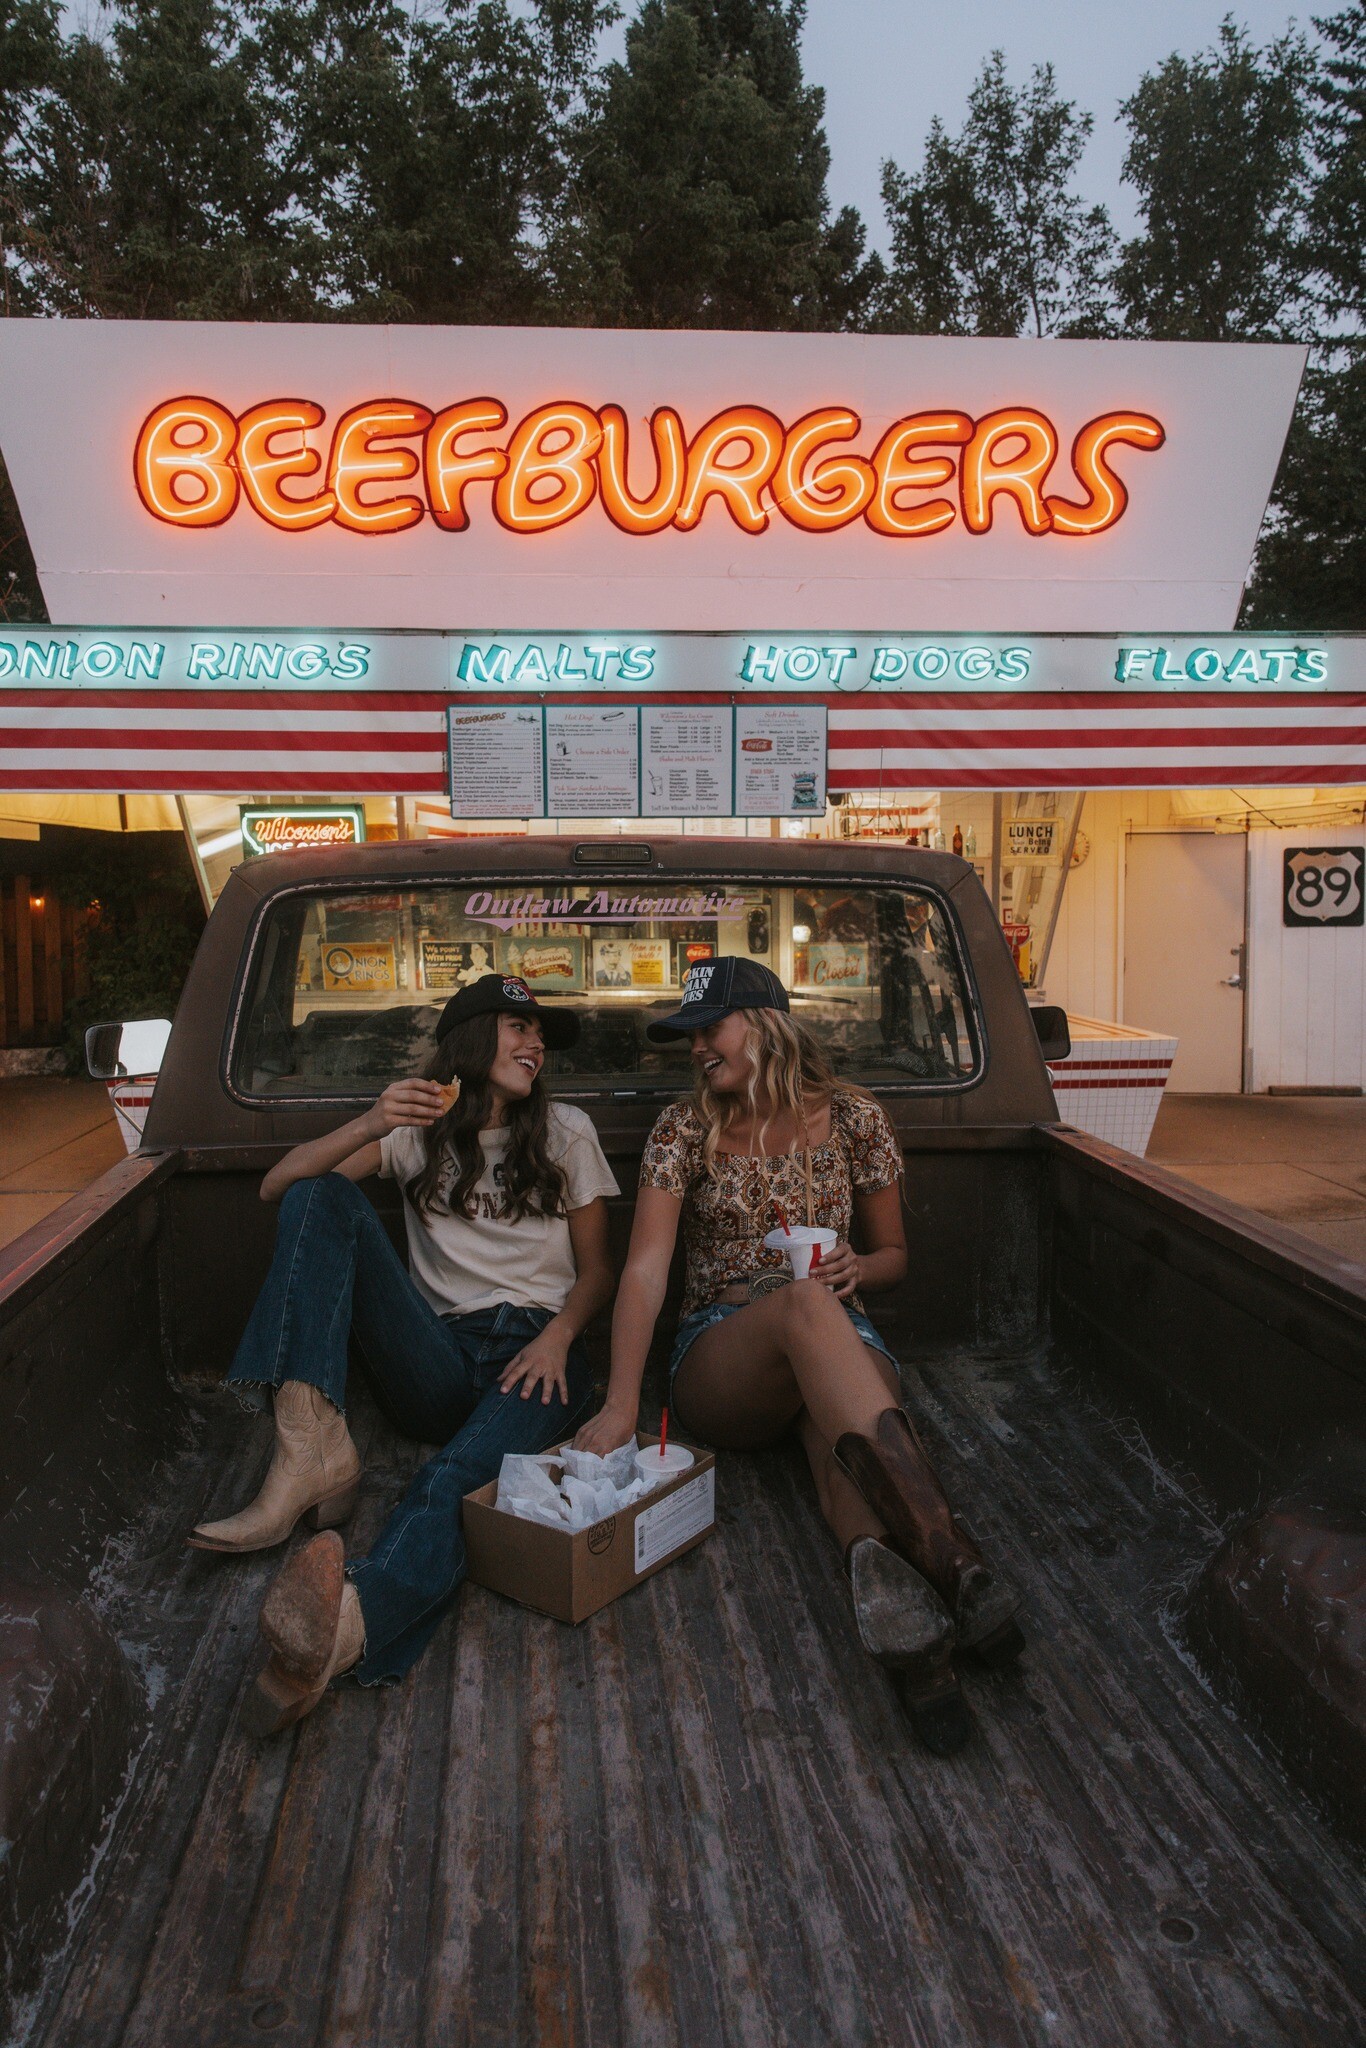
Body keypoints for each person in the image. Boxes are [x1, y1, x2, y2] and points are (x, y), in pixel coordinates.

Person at [573, 957, 1021, 1755]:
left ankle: (913, 1637)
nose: (696, 1048)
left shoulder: (854, 1118)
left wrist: (858, 1269)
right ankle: (953, 1556)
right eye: (688, 1036)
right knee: (807, 1305)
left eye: (709, 1029)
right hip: (725, 1354)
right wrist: (620, 1404)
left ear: (766, 1025)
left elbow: (894, 1259)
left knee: (842, 1445)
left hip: (842, 1338)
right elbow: (643, 1271)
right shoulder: (683, 1129)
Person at [189, 974, 617, 1733]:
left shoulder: (567, 1131)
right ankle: (307, 1448)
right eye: (518, 1027)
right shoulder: (416, 1129)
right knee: (319, 1196)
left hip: (539, 1354)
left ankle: (346, 1626)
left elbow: (599, 1273)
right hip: (438, 1354)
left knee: (450, 1478)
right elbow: (279, 1188)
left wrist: (558, 1337)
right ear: (470, 1041)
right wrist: (370, 1121)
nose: (536, 1044)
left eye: (541, 1034)